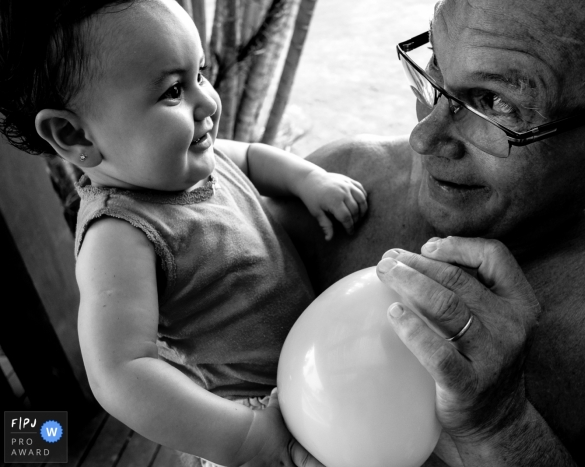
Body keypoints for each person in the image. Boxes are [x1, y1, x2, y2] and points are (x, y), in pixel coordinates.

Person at [267, 0, 585, 465]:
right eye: (435, 64)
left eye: (496, 102)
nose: (423, 139)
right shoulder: (338, 192)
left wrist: (500, 425)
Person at [0, 1, 368, 466]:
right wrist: (246, 438)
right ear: (75, 136)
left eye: (201, 73)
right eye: (174, 90)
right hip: (258, 419)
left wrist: (307, 180)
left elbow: (252, 157)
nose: (209, 101)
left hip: (313, 376)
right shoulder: (120, 235)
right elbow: (120, 372)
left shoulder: (189, 163)